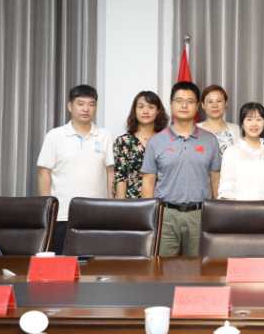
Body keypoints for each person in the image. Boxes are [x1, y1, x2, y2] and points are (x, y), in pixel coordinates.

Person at [141, 81, 221, 257]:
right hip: (166, 215)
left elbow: (215, 178)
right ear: (171, 104)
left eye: (190, 101)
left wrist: (216, 213)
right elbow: (148, 181)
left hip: (200, 215)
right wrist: (150, 215)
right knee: (162, 267)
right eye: (179, 101)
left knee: (198, 268)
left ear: (197, 106)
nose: (184, 106)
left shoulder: (210, 140)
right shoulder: (156, 141)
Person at [36, 84, 114, 254]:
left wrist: (110, 206)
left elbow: (110, 173)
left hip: (97, 214)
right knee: (62, 263)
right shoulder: (55, 135)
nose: (86, 109)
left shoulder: (105, 135)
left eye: (91, 104)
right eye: (80, 104)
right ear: (70, 106)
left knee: (94, 263)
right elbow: (44, 173)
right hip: (62, 214)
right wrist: (48, 209)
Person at [217, 102, 264, 200]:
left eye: (259, 119)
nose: (254, 124)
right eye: (249, 119)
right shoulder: (231, 152)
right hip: (237, 208)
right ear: (242, 124)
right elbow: (225, 188)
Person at [113, 91, 169, 199]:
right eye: (141, 107)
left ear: (158, 111)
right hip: (132, 204)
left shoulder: (166, 141)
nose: (145, 111)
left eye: (151, 107)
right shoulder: (123, 141)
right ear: (135, 110)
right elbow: (120, 178)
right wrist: (120, 206)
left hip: (163, 203)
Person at [197, 84, 241, 155]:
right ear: (203, 105)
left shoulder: (236, 129)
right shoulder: (195, 130)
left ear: (225, 104)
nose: (215, 105)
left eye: (219, 101)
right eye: (210, 102)